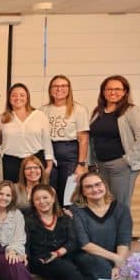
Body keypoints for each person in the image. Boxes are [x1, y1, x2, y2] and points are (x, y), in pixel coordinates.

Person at [25, 184, 112, 280]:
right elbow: (26, 245)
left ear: (53, 199)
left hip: (62, 257)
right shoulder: (28, 220)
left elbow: (73, 242)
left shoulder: (64, 217)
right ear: (33, 202)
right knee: (67, 269)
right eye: (37, 199)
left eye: (45, 197)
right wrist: (29, 259)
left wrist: (58, 253)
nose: (42, 201)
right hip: (41, 261)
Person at [71, 172, 132, 280]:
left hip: (113, 258)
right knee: (101, 267)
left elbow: (124, 239)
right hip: (86, 256)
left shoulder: (121, 209)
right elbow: (84, 243)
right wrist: (115, 258)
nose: (95, 189)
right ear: (83, 191)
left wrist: (118, 264)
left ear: (104, 185)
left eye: (98, 184)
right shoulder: (77, 210)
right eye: (89, 187)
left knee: (123, 271)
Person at [89, 75, 140, 208]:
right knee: (106, 204)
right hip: (101, 166)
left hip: (121, 166)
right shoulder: (98, 111)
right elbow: (93, 139)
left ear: (125, 92)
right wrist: (92, 162)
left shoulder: (132, 111)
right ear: (103, 91)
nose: (112, 92)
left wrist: (126, 161)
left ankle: (123, 230)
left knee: (120, 206)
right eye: (108, 89)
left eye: (117, 89)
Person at [40, 75, 90, 204]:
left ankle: (68, 222)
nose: (59, 89)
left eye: (63, 86)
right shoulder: (44, 110)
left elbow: (83, 139)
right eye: (55, 86)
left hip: (70, 155)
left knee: (68, 195)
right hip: (49, 153)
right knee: (50, 191)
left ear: (69, 89)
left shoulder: (78, 109)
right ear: (50, 90)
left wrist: (81, 165)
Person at [0, 83, 54, 183]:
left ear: (27, 97)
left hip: (35, 160)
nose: (18, 98)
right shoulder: (2, 118)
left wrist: (49, 166)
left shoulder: (40, 116)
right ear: (9, 98)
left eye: (22, 95)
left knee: (36, 194)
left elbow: (47, 142)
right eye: (14, 95)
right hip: (10, 163)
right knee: (14, 194)